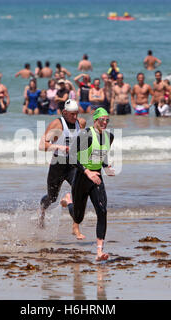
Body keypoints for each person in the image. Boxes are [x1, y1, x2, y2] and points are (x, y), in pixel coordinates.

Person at [67, 107, 115, 261]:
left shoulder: (110, 136)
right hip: (82, 177)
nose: (105, 123)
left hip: (97, 177)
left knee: (102, 211)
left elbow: (101, 153)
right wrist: (87, 172)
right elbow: (71, 157)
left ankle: (99, 251)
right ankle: (68, 200)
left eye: (107, 120)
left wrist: (106, 166)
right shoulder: (86, 135)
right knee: (78, 217)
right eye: (102, 120)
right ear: (95, 120)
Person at [38, 99, 87, 228]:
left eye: (77, 113)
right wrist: (58, 147)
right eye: (72, 114)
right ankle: (42, 211)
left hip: (73, 165)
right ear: (64, 112)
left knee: (80, 192)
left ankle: (74, 221)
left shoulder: (81, 123)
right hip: (57, 165)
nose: (75, 117)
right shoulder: (57, 125)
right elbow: (42, 145)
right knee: (52, 198)